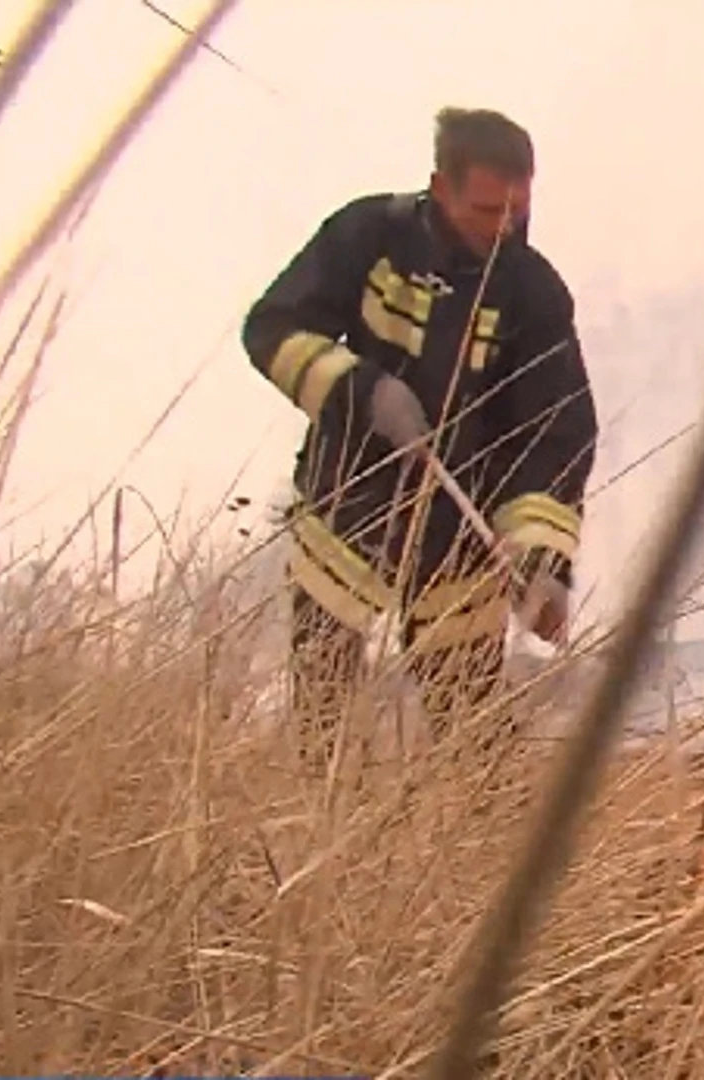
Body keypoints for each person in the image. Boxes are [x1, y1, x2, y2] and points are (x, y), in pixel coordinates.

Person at [241, 106, 598, 774]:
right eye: (489, 210)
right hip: (345, 524)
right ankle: (329, 859)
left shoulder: (535, 291)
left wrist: (543, 562)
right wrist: (359, 390)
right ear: (442, 188)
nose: (506, 228)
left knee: (476, 752)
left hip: (457, 555)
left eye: (518, 210)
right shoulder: (367, 235)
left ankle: (490, 866)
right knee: (325, 731)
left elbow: (559, 431)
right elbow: (272, 326)